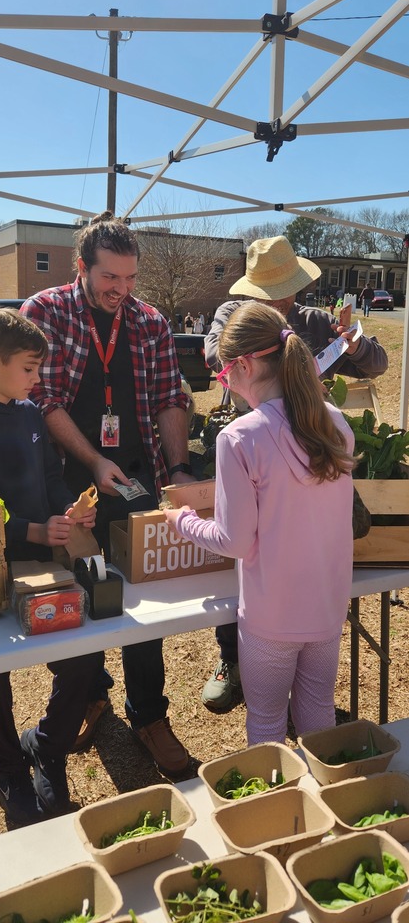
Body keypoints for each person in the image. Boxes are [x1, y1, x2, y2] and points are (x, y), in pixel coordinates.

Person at [21, 212, 194, 778]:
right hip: (69, 479)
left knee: (141, 598)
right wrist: (93, 460)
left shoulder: (149, 322)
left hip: (134, 477)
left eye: (130, 280)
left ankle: (149, 713)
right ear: (82, 268)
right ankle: (90, 691)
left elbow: (170, 396)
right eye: (109, 280)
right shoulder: (44, 312)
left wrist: (180, 469)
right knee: (82, 588)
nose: (121, 291)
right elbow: (41, 400)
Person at [203, 235, 388, 711]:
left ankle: (273, 644)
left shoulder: (316, 321)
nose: (282, 299)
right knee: (252, 551)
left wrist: (355, 342)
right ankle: (233, 657)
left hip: (311, 442)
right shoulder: (231, 317)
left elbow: (378, 364)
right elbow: (214, 356)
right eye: (272, 292)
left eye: (287, 290)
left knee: (290, 543)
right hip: (260, 437)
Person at [0, 309, 100, 826]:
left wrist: (70, 510)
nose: (36, 380)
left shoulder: (30, 413)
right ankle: (7, 768)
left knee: (83, 658)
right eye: (29, 369)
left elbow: (51, 477)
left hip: (43, 565)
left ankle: (47, 746)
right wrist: (30, 529)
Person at [165, 302, 355, 744]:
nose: (224, 382)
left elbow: (233, 541)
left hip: (271, 616)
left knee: (266, 728)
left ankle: (272, 811)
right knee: (318, 719)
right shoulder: (337, 423)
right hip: (327, 608)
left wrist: (183, 519)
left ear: (245, 365)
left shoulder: (239, 437)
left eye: (223, 372)